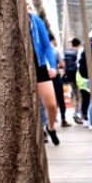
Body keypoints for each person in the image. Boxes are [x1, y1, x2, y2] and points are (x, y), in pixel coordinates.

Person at [28, 10, 59, 145]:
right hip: (20, 69)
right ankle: (39, 131)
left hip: (39, 65)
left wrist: (52, 65)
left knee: (51, 105)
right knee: (29, 106)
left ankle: (50, 127)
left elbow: (46, 45)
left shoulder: (35, 20)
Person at [64, 38, 82, 124]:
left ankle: (76, 111)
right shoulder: (78, 52)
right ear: (78, 44)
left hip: (70, 76)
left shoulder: (66, 53)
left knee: (75, 94)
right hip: (78, 76)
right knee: (80, 95)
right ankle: (78, 113)